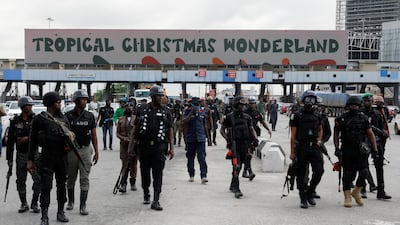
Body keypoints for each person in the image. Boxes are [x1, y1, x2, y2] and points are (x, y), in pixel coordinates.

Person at [128, 85, 174, 211]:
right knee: (145, 172)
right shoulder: (141, 109)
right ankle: (146, 193)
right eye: (159, 96)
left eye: (162, 95)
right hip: (144, 146)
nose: (161, 98)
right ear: (153, 96)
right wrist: (131, 147)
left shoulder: (166, 111)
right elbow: (135, 129)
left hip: (159, 147)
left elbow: (170, 130)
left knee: (158, 174)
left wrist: (172, 147)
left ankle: (156, 199)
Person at [27, 91, 70, 225]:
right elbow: (32, 141)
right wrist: (30, 160)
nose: (60, 104)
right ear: (51, 103)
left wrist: (68, 145)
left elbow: (70, 137)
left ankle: (60, 212)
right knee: (46, 187)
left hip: (62, 157)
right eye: (58, 102)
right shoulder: (40, 119)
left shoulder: (63, 119)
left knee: (62, 186)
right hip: (47, 156)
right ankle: (44, 216)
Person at [334, 96, 378, 208]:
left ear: (359, 106)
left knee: (364, 172)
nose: (354, 106)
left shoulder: (363, 118)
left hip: (361, 150)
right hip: (347, 149)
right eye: (352, 105)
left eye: (356, 105)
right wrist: (336, 148)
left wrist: (374, 149)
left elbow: (370, 134)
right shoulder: (341, 119)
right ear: (348, 106)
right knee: (348, 174)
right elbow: (336, 134)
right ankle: (347, 196)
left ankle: (357, 191)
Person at [65, 90, 99, 215]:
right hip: (72, 150)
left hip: (85, 150)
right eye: (82, 99)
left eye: (86, 99)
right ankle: (70, 201)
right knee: (70, 178)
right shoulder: (68, 116)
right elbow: (64, 134)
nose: (85, 101)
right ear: (76, 101)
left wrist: (96, 151)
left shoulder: (89, 116)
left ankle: (82, 206)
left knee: (84, 178)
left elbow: (94, 135)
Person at [289, 91, 324, 209]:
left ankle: (311, 191)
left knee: (319, 171)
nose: (310, 103)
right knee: (301, 173)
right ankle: (303, 197)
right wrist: (292, 152)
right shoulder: (297, 115)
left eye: (312, 100)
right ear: (303, 101)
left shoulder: (317, 114)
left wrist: (319, 140)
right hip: (302, 147)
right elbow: (293, 135)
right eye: (308, 100)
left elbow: (320, 129)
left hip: (314, 146)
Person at [6, 96, 41, 213]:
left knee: (38, 179)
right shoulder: (15, 121)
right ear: (22, 107)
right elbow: (10, 141)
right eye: (28, 105)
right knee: (20, 181)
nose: (31, 107)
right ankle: (24, 203)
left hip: (34, 155)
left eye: (31, 105)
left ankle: (34, 203)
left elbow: (41, 136)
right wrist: (9, 159)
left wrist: (28, 138)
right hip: (21, 155)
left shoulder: (36, 119)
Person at [220, 96, 258, 198]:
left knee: (241, 166)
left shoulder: (247, 117)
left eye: (244, 105)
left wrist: (255, 139)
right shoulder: (229, 117)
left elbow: (251, 129)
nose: (243, 107)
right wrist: (227, 139)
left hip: (245, 145)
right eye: (241, 105)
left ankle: (233, 185)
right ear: (236, 105)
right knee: (236, 166)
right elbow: (222, 130)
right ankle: (237, 189)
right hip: (234, 145)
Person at [360, 93, 391, 200]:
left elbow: (382, 128)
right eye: (365, 101)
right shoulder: (360, 114)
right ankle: (362, 188)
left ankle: (381, 191)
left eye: (369, 101)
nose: (367, 103)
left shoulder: (377, 113)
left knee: (379, 167)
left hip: (376, 142)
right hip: (364, 143)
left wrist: (381, 141)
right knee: (363, 166)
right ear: (362, 102)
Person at [243, 98, 272, 180]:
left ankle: (245, 170)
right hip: (245, 136)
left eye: (253, 103)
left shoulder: (257, 112)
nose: (252, 105)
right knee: (247, 154)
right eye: (251, 103)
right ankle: (249, 171)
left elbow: (262, 121)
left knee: (250, 154)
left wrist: (268, 130)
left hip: (254, 136)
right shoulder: (244, 112)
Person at [182, 97, 208, 184]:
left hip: (201, 138)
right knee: (190, 158)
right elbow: (184, 121)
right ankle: (191, 175)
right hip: (191, 138)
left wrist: (208, 137)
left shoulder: (202, 111)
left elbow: (204, 124)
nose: (196, 106)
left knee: (202, 158)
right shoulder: (187, 111)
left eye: (198, 104)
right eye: (195, 104)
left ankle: (203, 176)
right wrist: (191, 113)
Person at [116, 103, 138, 192]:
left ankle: (133, 182)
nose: (129, 108)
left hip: (134, 146)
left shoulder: (136, 119)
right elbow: (117, 133)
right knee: (125, 164)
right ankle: (123, 184)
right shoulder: (121, 120)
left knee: (134, 164)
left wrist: (134, 140)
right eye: (127, 106)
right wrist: (124, 138)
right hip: (124, 146)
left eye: (131, 106)